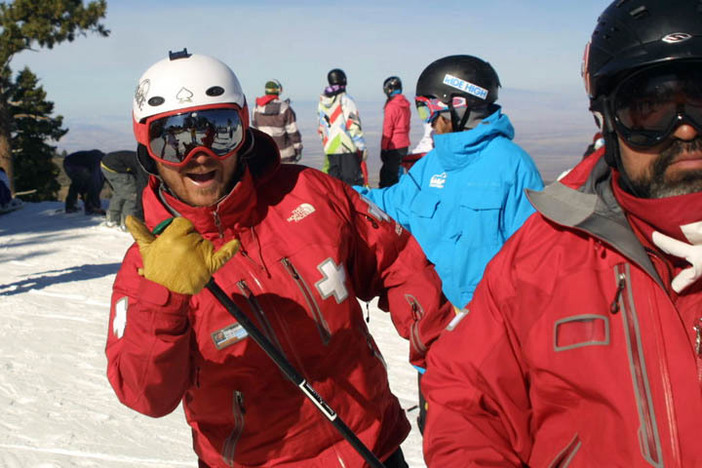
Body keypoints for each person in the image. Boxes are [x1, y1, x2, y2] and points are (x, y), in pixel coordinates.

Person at [105, 50, 454, 468]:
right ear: (148, 149)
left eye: (219, 132)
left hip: (370, 446)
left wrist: (446, 362)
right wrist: (163, 298)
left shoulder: (310, 194)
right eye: (172, 139)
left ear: (244, 129)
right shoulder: (147, 266)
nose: (198, 154)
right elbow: (146, 395)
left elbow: (398, 262)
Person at [422, 1, 702, 466]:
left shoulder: (510, 168)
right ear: (608, 122)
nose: (686, 127)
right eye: (648, 109)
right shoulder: (542, 257)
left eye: (701, 99)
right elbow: (467, 403)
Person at [355, 55, 544, 309]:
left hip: (488, 320)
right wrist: (332, 192)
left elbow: (535, 259)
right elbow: (388, 204)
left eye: (426, 108)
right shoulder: (430, 166)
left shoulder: (513, 167)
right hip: (435, 318)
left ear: (457, 105)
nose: (428, 121)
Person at [317, 68, 368, 186]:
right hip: (347, 149)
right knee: (353, 188)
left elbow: (321, 128)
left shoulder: (322, 103)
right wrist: (361, 147)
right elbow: (353, 125)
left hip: (330, 150)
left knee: (335, 188)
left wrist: (327, 146)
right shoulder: (345, 100)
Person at [252, 79, 303, 164]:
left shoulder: (256, 109)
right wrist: (298, 149)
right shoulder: (285, 108)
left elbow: (255, 129)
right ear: (278, 90)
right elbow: (293, 131)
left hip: (265, 154)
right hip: (285, 154)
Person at [100, 150, 148, 228]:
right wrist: (140, 214)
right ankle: (128, 225)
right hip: (115, 167)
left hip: (106, 163)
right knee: (132, 195)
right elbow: (141, 187)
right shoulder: (143, 166)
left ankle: (113, 219)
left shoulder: (142, 159)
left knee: (120, 192)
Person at [379, 76, 411, 187]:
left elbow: (388, 129)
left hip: (393, 146)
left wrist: (384, 148)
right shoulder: (405, 104)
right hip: (404, 144)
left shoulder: (391, 106)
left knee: (387, 178)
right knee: (399, 174)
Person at [62, 149, 105, 215]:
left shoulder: (98, 157)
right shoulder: (99, 162)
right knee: (91, 183)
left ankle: (70, 206)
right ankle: (92, 207)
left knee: (77, 183)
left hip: (68, 162)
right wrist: (95, 203)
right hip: (76, 164)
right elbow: (96, 183)